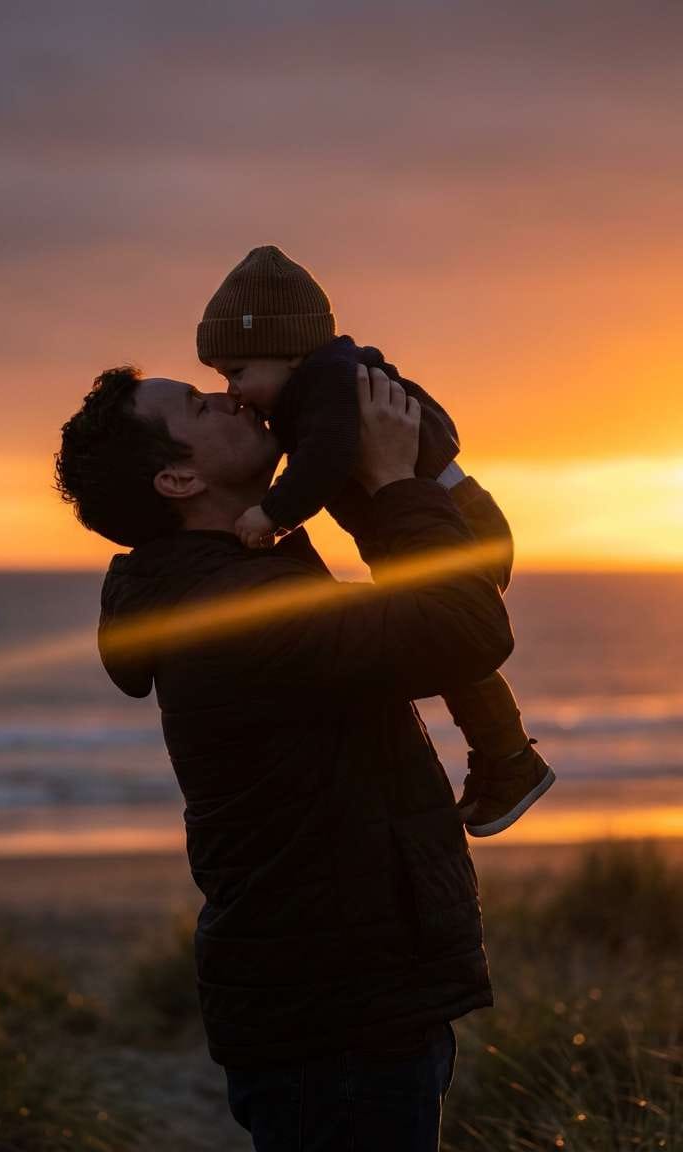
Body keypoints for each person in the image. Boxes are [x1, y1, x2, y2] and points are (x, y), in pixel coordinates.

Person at [54, 360, 515, 1150]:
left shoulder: (236, 581)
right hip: (335, 1016)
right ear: (177, 478)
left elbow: (437, 618)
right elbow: (465, 631)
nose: (230, 396)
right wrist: (399, 483)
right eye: (200, 406)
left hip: (343, 1000)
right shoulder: (237, 609)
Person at [195, 244, 554, 837]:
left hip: (455, 525)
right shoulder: (317, 388)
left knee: (455, 652)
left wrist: (273, 514)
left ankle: (510, 761)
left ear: (287, 350)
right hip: (430, 527)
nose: (231, 392)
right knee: (450, 656)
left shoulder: (331, 385)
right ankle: (505, 760)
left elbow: (328, 459)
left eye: (236, 373)